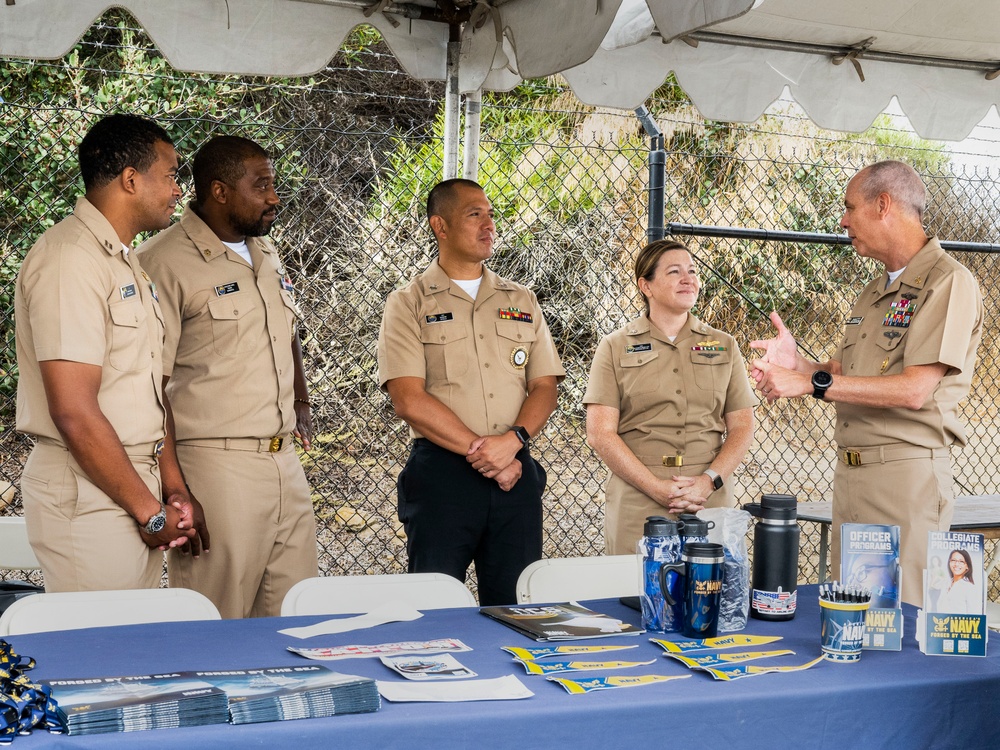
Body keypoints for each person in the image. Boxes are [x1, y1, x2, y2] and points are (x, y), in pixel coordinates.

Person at [751, 160, 983, 607]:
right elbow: (848, 374)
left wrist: (812, 384)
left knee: (905, 623)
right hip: (853, 476)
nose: (842, 220)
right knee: (854, 620)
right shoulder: (876, 289)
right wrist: (800, 365)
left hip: (904, 478)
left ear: (882, 205)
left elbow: (915, 390)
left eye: (848, 207)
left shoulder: (948, 281)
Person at [14, 113, 207, 591]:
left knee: (131, 648)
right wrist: (149, 512)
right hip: (90, 491)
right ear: (130, 179)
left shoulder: (125, 263)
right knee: (99, 653)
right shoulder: (69, 259)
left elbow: (146, 391)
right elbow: (74, 410)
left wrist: (174, 489)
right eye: (170, 176)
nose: (178, 190)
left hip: (130, 486)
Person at [138, 136, 318, 618]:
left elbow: (287, 330)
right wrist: (174, 482)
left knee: (294, 616)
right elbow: (148, 383)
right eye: (261, 186)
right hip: (217, 466)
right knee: (216, 618)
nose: (274, 197)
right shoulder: (163, 262)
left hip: (284, 462)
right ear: (219, 191)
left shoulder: (265, 253)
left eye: (273, 184)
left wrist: (300, 400)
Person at [377, 178, 564, 606]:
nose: (489, 225)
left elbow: (544, 385)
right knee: (435, 609)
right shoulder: (408, 302)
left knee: (516, 609)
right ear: (439, 226)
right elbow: (408, 398)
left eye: (491, 214)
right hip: (443, 478)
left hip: (515, 473)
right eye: (474, 214)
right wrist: (488, 454)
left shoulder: (522, 298)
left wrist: (512, 444)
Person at [583, 239, 756, 554]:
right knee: (634, 596)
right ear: (645, 285)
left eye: (692, 271)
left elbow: (743, 425)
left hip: (707, 497)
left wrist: (709, 480)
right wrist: (656, 488)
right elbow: (600, 433)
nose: (688, 279)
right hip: (639, 496)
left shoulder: (724, 345)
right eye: (674, 272)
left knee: (708, 594)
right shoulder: (614, 347)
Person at [932, 549, 981, 614]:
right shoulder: (945, 584)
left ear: (967, 566)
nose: (956, 564)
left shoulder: (969, 588)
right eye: (953, 560)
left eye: (961, 561)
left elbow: (975, 616)